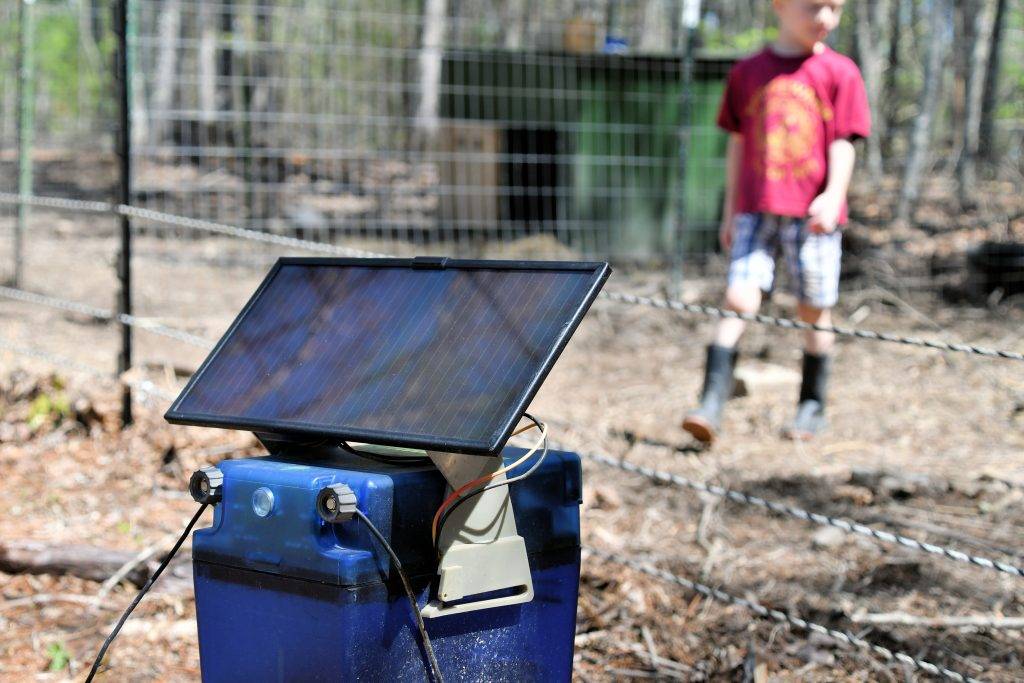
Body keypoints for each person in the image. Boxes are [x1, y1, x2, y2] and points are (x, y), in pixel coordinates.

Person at [682, 0, 870, 444]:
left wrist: (833, 195)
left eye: (835, 8)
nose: (825, 17)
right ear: (780, 6)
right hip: (756, 208)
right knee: (738, 298)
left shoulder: (841, 72)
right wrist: (730, 210)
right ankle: (711, 400)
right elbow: (737, 145)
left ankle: (811, 406)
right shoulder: (748, 72)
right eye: (813, 6)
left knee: (813, 310)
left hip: (813, 216)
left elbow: (844, 143)